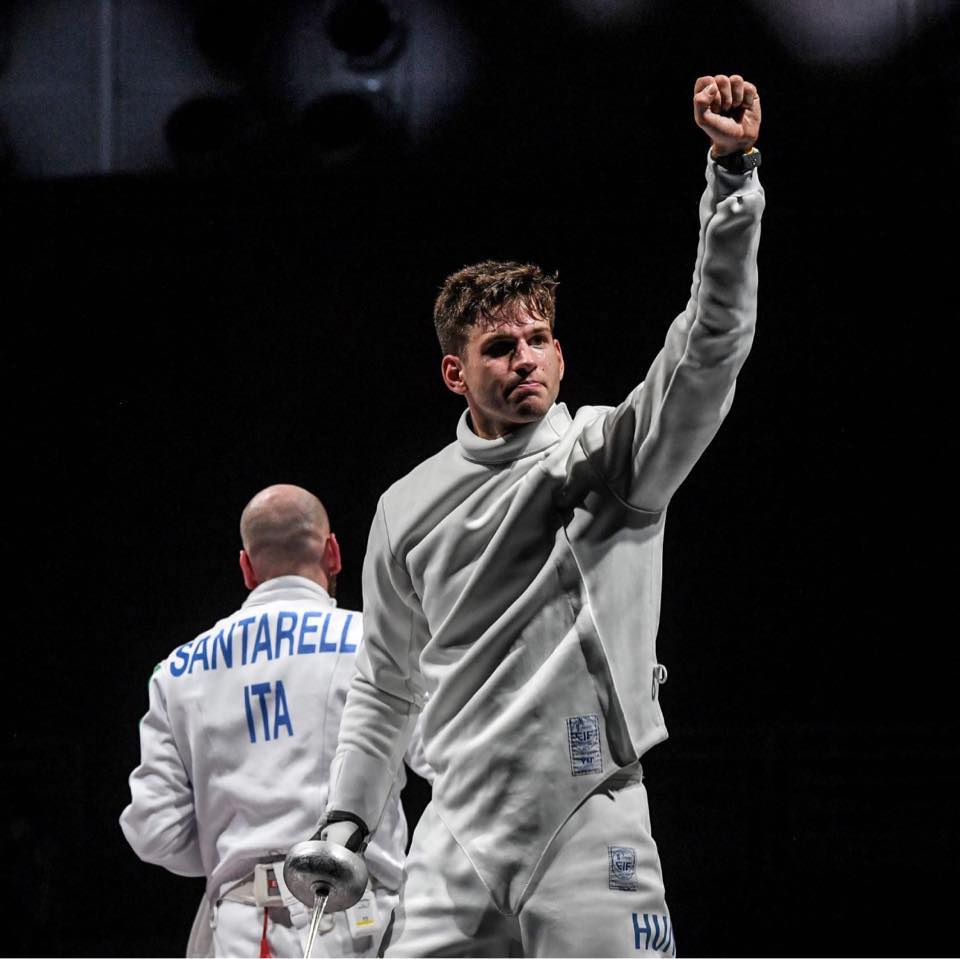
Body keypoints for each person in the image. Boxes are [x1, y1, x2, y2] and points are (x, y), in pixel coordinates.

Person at [318, 74, 764, 957]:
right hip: (456, 824)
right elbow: (383, 683)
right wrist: (345, 819)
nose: (523, 358)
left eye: (536, 340)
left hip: (585, 803)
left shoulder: (607, 456)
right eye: (498, 346)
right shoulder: (405, 505)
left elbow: (708, 345)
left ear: (559, 351)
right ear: (455, 372)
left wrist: (733, 179)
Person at [120, 484, 430, 958]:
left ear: (246, 568)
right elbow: (447, 762)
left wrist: (234, 853)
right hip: (364, 920)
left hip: (244, 931)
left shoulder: (178, 670)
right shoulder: (373, 641)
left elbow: (155, 831)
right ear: (333, 553)